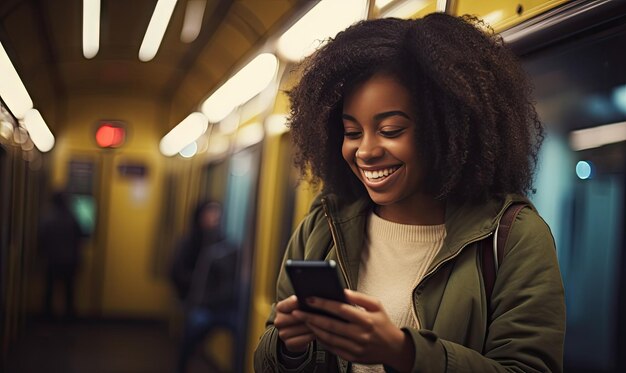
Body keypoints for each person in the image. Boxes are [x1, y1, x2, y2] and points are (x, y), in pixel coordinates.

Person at [254, 13, 565, 373]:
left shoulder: (514, 238)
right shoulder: (322, 224)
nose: (365, 151)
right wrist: (289, 347)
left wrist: (405, 352)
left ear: (446, 130)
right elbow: (265, 359)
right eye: (352, 132)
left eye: (390, 129)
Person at [171, 201, 238, 373]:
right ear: (200, 216)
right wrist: (197, 283)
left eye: (217, 212)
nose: (215, 216)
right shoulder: (188, 242)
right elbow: (176, 272)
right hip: (198, 303)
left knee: (241, 326)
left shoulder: (224, 243)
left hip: (221, 304)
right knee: (194, 326)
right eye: (210, 212)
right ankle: (182, 366)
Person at [38, 191, 84, 320]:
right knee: (69, 290)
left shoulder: (47, 218)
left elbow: (42, 238)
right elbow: (81, 236)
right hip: (70, 259)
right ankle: (69, 315)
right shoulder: (72, 218)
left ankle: (47, 314)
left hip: (52, 259)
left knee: (49, 288)